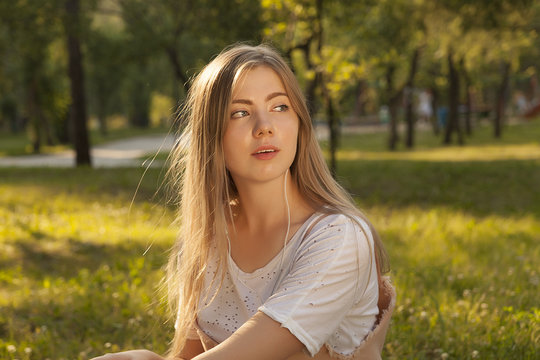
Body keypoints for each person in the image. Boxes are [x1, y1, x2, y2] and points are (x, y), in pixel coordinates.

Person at [91, 44, 394, 360]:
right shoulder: (205, 239)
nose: (264, 126)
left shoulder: (339, 238)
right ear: (212, 137)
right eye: (240, 113)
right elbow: (186, 357)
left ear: (300, 123)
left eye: (280, 107)